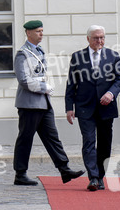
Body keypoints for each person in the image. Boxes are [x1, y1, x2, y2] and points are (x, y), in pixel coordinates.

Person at [12, 20, 84, 186]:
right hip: (29, 104)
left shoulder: (39, 51)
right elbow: (24, 80)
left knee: (52, 138)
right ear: (28, 33)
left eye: (42, 31)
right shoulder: (23, 54)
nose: (41, 34)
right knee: (25, 139)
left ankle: (64, 169)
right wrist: (44, 87)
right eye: (38, 31)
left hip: (43, 103)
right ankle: (20, 174)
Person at [65, 25, 120, 191]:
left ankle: (101, 176)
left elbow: (119, 79)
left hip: (106, 107)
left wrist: (111, 94)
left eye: (102, 37)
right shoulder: (78, 57)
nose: (99, 41)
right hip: (85, 106)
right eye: (96, 38)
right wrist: (69, 107)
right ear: (88, 39)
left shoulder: (113, 56)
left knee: (105, 144)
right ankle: (93, 177)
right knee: (89, 141)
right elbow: (71, 83)